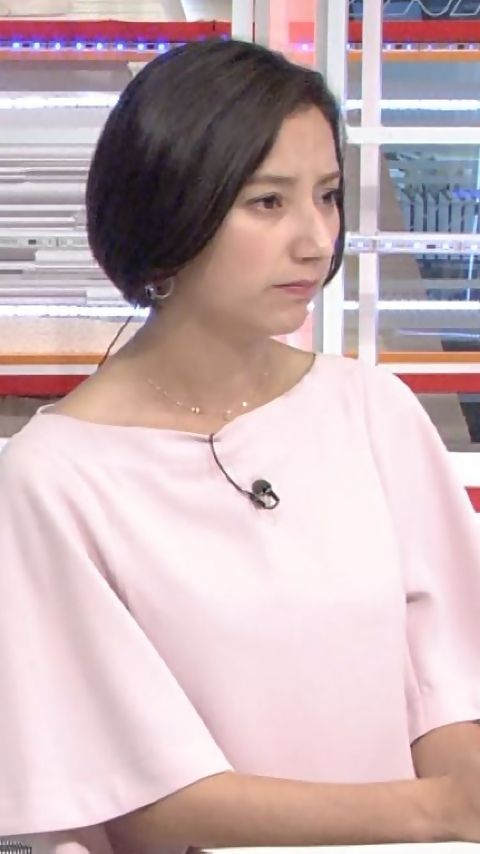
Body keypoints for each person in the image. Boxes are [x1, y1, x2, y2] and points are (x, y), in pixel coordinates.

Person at [0, 37, 480, 854]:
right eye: (267, 202)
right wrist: (435, 812)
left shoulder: (373, 412)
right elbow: (146, 804)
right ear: (169, 207)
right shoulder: (52, 482)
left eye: (327, 195)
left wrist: (461, 808)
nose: (315, 239)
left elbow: (449, 687)